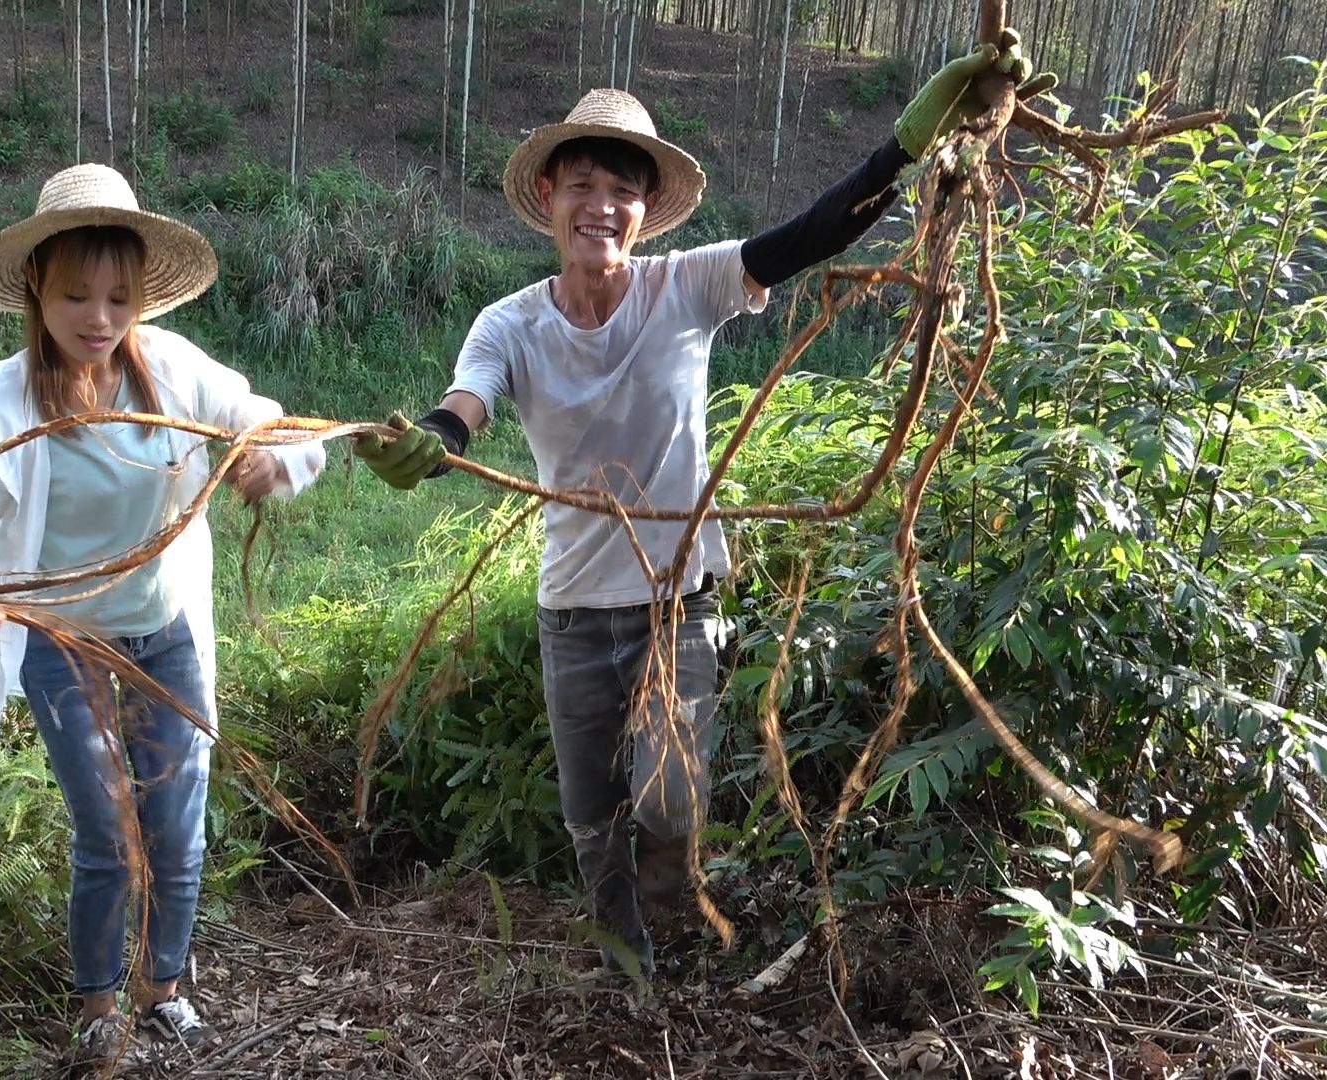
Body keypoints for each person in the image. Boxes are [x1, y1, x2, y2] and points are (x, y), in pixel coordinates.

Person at [355, 35, 1046, 975]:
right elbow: (463, 404)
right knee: (589, 812)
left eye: (622, 191)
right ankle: (624, 961)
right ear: (550, 199)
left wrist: (907, 146)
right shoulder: (509, 324)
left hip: (680, 601)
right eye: (583, 185)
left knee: (671, 800)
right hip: (571, 611)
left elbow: (816, 232)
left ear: (644, 213)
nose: (602, 205)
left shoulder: (688, 287)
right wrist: (434, 445)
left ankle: (666, 915)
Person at [0, 163, 325, 1054]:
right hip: (64, 641)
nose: (98, 319)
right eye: (76, 297)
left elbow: (276, 426)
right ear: (36, 288)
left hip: (164, 629)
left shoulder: (173, 372)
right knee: (107, 828)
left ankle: (164, 988)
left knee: (177, 823)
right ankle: (98, 1008)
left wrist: (269, 460)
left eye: (117, 297)